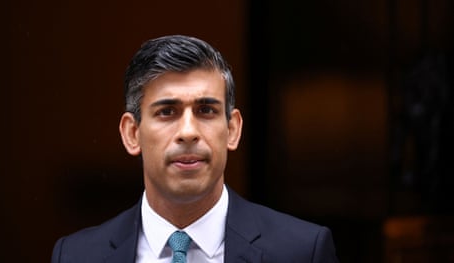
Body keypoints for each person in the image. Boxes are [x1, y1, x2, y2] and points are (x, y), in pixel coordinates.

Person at [51, 35, 339, 263]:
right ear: (132, 133)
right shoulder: (77, 255)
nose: (188, 131)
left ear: (233, 129)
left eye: (205, 110)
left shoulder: (302, 251)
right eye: (167, 112)